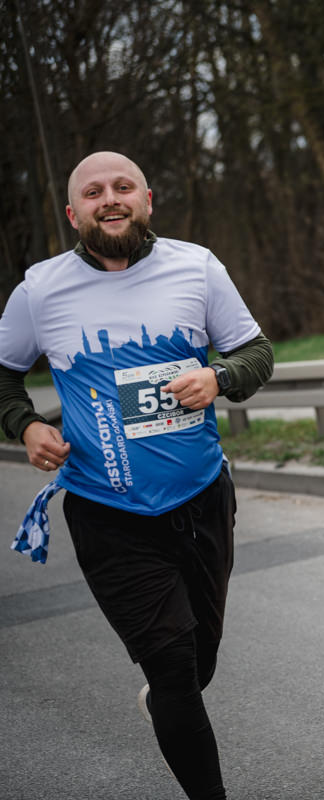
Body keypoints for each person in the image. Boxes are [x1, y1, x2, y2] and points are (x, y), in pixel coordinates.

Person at [0, 151, 274, 799]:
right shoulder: (41, 289)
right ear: (74, 214)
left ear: (147, 200)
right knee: (174, 668)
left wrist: (219, 376)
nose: (110, 199)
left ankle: (167, 695)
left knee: (198, 661)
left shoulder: (196, 267)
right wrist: (26, 425)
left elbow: (256, 353)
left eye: (123, 187)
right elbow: (4, 376)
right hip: (107, 513)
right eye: (93, 192)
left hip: (201, 497)